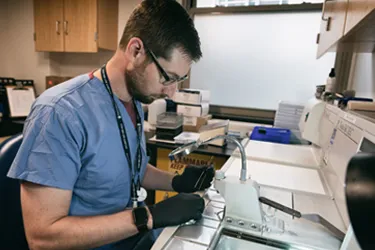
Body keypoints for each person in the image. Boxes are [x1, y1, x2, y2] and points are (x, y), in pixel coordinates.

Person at [7, 1, 215, 249]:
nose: (171, 93)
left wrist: (176, 182)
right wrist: (148, 217)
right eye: (167, 78)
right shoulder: (60, 113)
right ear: (136, 50)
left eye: (178, 81)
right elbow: (42, 237)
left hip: (124, 240)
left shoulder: (133, 100)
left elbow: (128, 167)